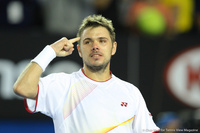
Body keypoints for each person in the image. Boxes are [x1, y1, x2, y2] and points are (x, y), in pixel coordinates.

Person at [13, 15, 160, 133]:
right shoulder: (62, 85)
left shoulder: (131, 92)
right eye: (88, 42)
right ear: (79, 50)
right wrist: (50, 51)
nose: (95, 46)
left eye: (102, 41)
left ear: (113, 48)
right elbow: (22, 88)